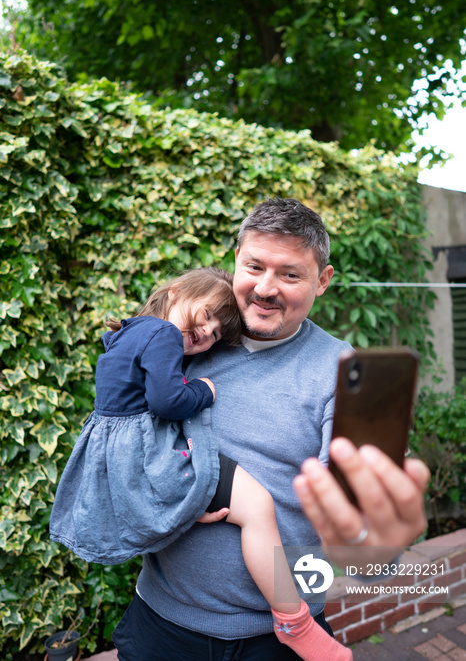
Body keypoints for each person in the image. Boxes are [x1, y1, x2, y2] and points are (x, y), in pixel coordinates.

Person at [111, 198, 429, 661]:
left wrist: (373, 542)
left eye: (290, 274)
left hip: (276, 640)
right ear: (234, 261)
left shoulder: (339, 370)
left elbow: (358, 522)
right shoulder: (188, 340)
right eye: (254, 266)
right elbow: (119, 440)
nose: (265, 288)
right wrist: (172, 496)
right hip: (161, 626)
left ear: (323, 281)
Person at [49, 266, 350, 661]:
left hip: (128, 455)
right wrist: (202, 391)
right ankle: (293, 621)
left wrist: (184, 506)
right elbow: (165, 401)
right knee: (257, 508)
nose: (206, 333)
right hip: (154, 456)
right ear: (174, 293)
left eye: (215, 335)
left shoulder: (128, 332)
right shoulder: (163, 336)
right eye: (206, 315)